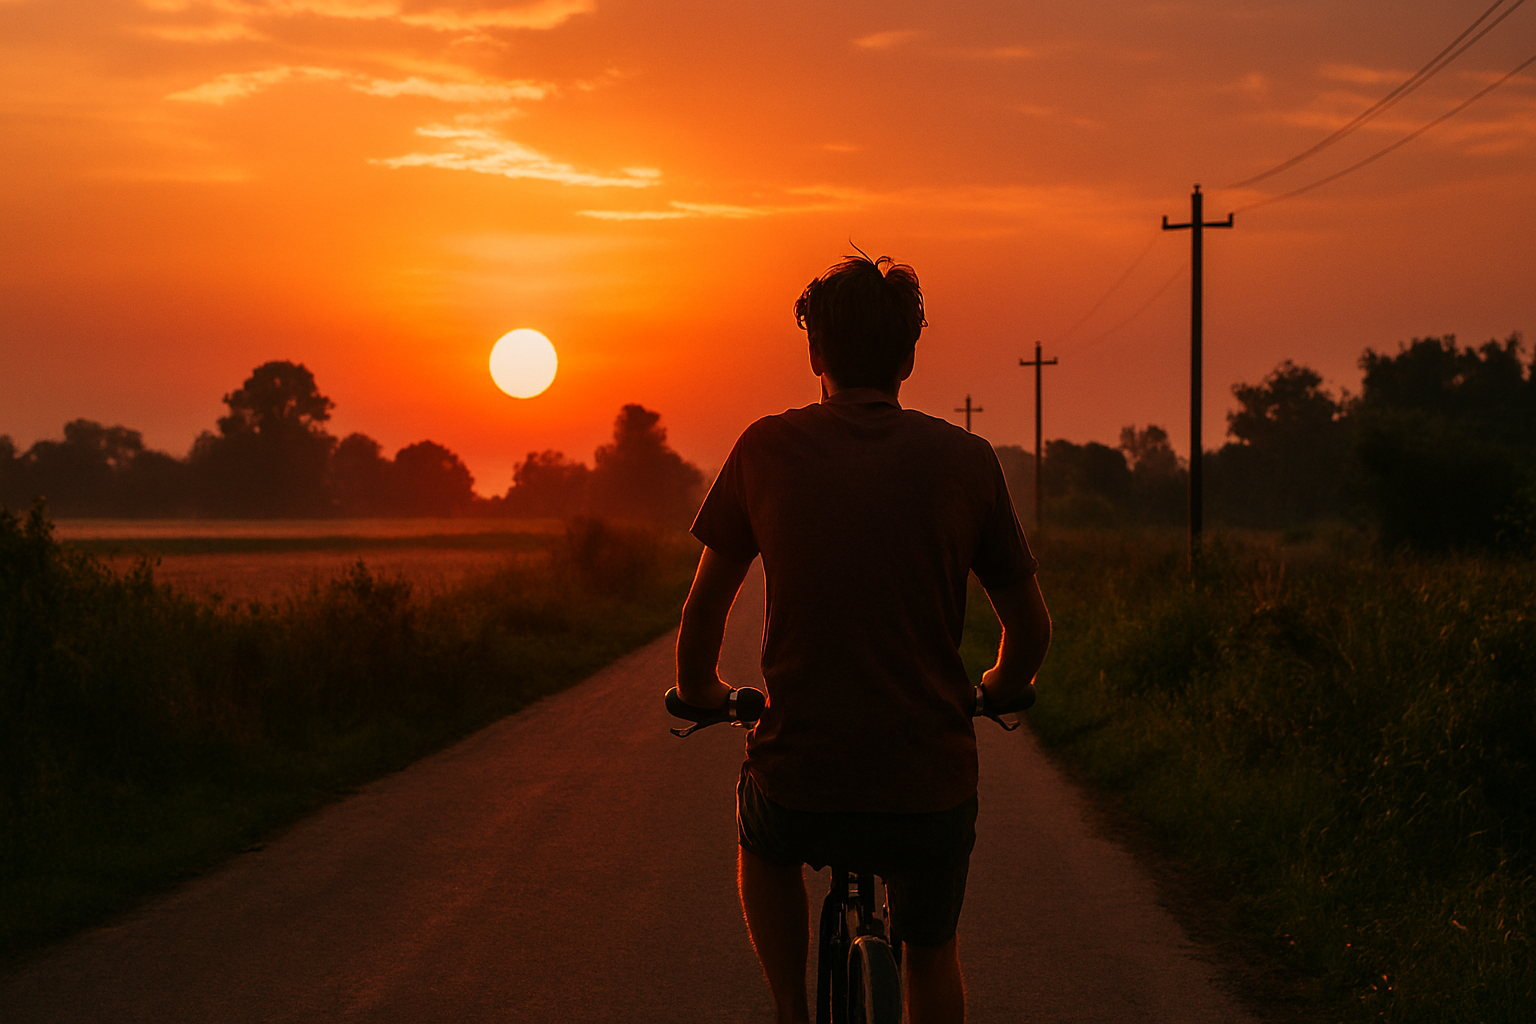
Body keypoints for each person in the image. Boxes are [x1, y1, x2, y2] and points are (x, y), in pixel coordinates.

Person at [674, 252, 1052, 1024]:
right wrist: (1000, 687)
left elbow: (704, 611)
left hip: (801, 774)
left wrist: (705, 692)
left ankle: (789, 1009)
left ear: (815, 353)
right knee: (933, 952)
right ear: (909, 354)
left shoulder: (764, 448)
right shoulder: (968, 461)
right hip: (927, 780)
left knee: (763, 835)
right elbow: (1030, 629)